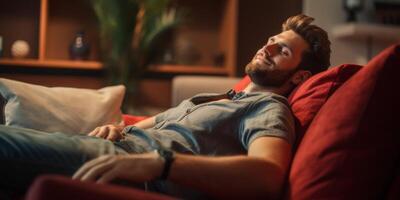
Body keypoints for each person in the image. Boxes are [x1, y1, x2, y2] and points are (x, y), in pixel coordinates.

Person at [0, 14, 331, 199]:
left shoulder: (269, 108)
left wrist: (160, 164)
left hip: (128, 166)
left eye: (283, 51)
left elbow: (267, 175)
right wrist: (121, 127)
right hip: (114, 146)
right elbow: (151, 121)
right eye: (272, 41)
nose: (268, 48)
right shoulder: (225, 97)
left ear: (300, 76)